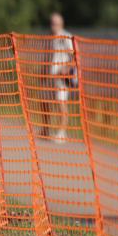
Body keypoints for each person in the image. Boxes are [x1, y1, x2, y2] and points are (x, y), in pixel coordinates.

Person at [47, 12, 75, 142]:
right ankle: (46, 129)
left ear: (61, 24)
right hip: (52, 75)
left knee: (61, 103)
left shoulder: (66, 36)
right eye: (52, 23)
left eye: (56, 23)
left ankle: (62, 132)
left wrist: (66, 69)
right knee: (47, 101)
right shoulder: (51, 38)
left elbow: (73, 56)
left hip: (62, 77)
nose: (54, 26)